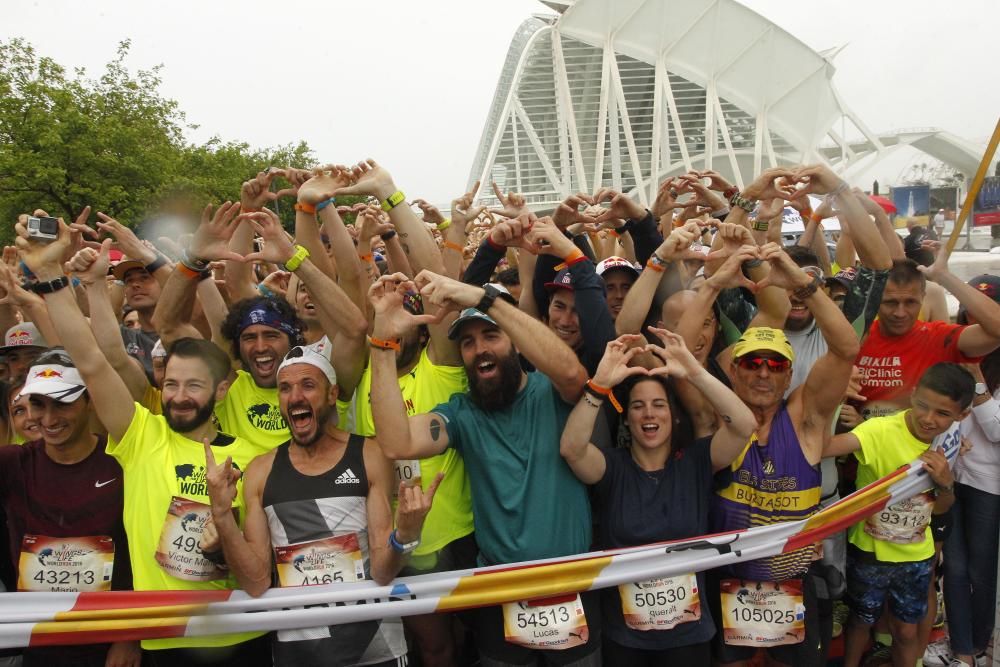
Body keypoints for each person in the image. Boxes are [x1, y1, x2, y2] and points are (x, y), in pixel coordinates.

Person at [16, 218, 272, 665]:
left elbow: (256, 571)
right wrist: (53, 279)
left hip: (240, 638)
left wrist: (222, 531)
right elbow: (93, 361)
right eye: (171, 384)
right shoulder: (142, 434)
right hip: (161, 640)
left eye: (193, 386)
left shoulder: (254, 457)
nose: (177, 397)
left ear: (222, 390)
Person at [370, 270, 601, 666]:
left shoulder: (553, 391)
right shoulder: (463, 413)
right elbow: (397, 442)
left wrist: (485, 297)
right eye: (468, 343)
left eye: (491, 336)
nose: (479, 350)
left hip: (571, 583)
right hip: (499, 592)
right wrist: (382, 344)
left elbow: (572, 373)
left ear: (515, 342)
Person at [205, 344, 438, 666]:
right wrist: (221, 514)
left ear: (332, 395)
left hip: (373, 644)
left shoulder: (368, 455)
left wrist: (406, 534)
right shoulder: (261, 471)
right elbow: (256, 582)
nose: (295, 396)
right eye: (285, 388)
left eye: (308, 385)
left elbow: (384, 571)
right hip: (299, 651)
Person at [559, 331, 755, 665]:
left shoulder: (696, 461)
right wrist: (600, 385)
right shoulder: (613, 468)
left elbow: (743, 425)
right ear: (628, 419)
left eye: (658, 405)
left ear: (673, 415)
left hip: (688, 638)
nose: (649, 414)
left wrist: (695, 373)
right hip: (625, 638)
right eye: (638, 406)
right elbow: (572, 448)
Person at [823, 364, 971, 667]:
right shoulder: (879, 430)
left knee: (906, 631)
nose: (929, 419)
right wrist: (831, 399)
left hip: (915, 558)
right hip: (869, 553)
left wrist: (945, 483)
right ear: (913, 395)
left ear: (961, 416)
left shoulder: (948, 440)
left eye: (943, 414)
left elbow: (942, 507)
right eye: (922, 406)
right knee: (861, 622)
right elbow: (824, 449)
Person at [0, 351, 138, 667]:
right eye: (37, 404)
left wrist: (130, 638)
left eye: (62, 403)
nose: (47, 419)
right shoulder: (13, 464)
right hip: (39, 644)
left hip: (109, 646)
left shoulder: (122, 462)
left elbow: (140, 552)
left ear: (89, 400)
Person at [854, 249, 1000, 420]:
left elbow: (996, 330)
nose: (900, 313)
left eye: (910, 302)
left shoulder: (938, 337)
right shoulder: (855, 338)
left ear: (923, 297)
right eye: (890, 302)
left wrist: (944, 277)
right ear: (876, 298)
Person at [943, 275, 1000, 667]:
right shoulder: (952, 349)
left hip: (987, 486)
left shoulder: (978, 365)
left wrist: (977, 382)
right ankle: (962, 650)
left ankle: (981, 643)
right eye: (968, 311)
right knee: (954, 570)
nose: (973, 318)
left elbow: (997, 431)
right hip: (948, 478)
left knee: (981, 573)